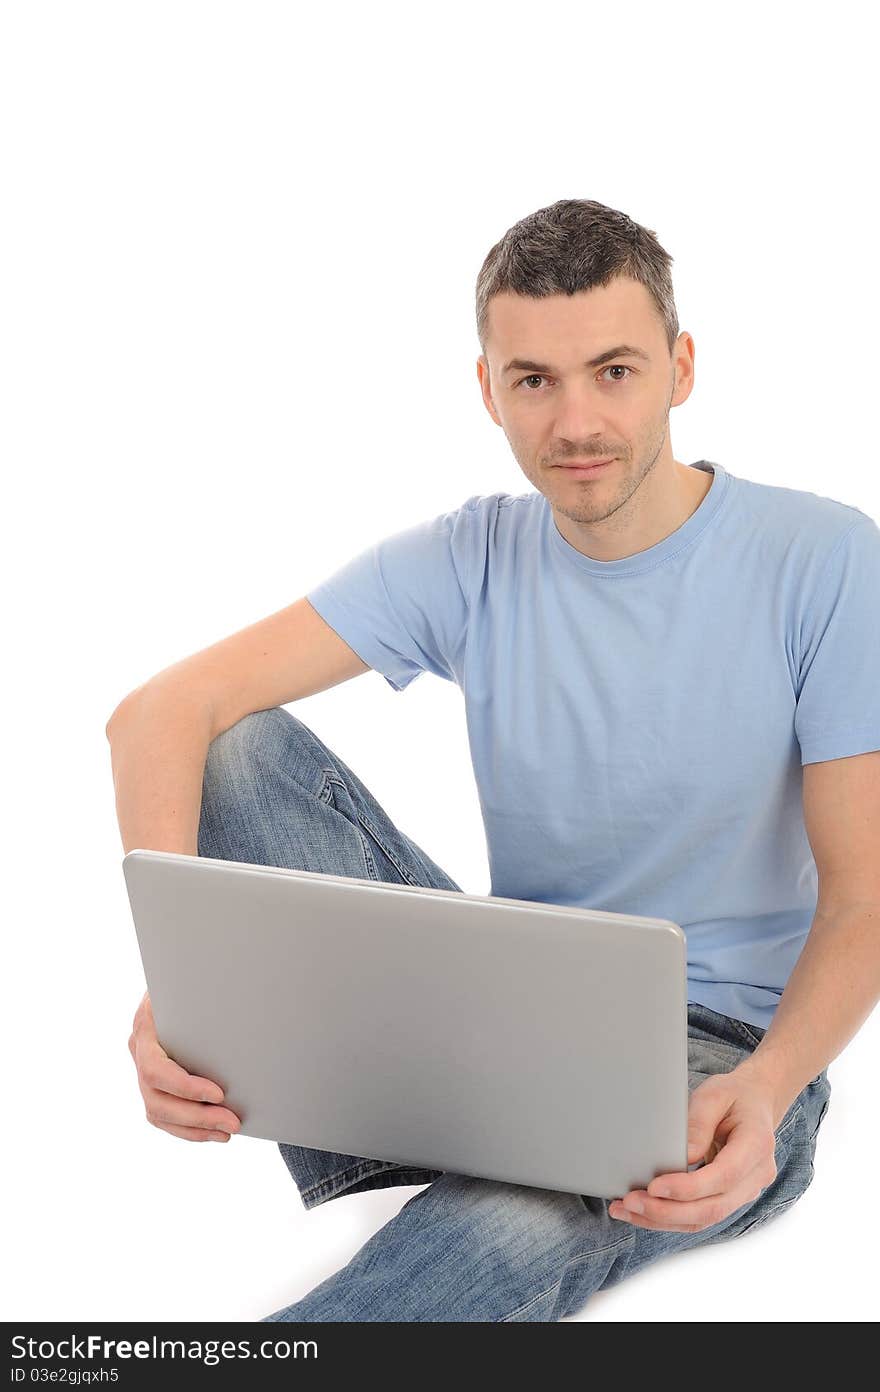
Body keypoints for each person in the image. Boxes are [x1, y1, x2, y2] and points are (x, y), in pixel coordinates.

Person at [107, 198, 880, 1322]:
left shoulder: (825, 561)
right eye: (534, 381)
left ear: (681, 367)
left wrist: (767, 1089)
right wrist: (183, 994)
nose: (575, 421)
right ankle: (462, 1138)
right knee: (234, 747)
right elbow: (159, 711)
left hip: (720, 1060)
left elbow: (863, 896)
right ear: (487, 391)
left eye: (614, 371)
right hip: (497, 1025)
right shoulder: (470, 554)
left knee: (510, 1228)